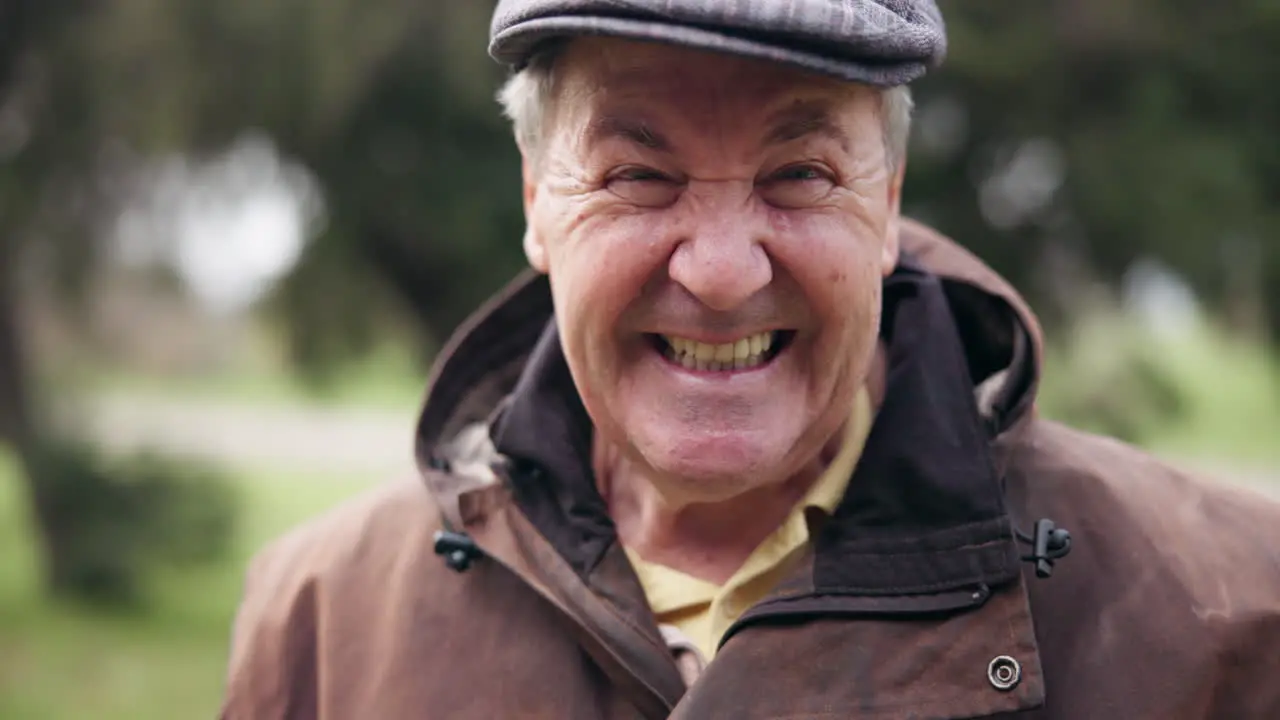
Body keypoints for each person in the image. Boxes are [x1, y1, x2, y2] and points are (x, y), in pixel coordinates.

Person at [219, 2, 1280, 718]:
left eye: (800, 172)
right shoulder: (322, 621)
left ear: (888, 200)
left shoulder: (1227, 624)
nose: (721, 273)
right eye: (637, 174)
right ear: (538, 200)